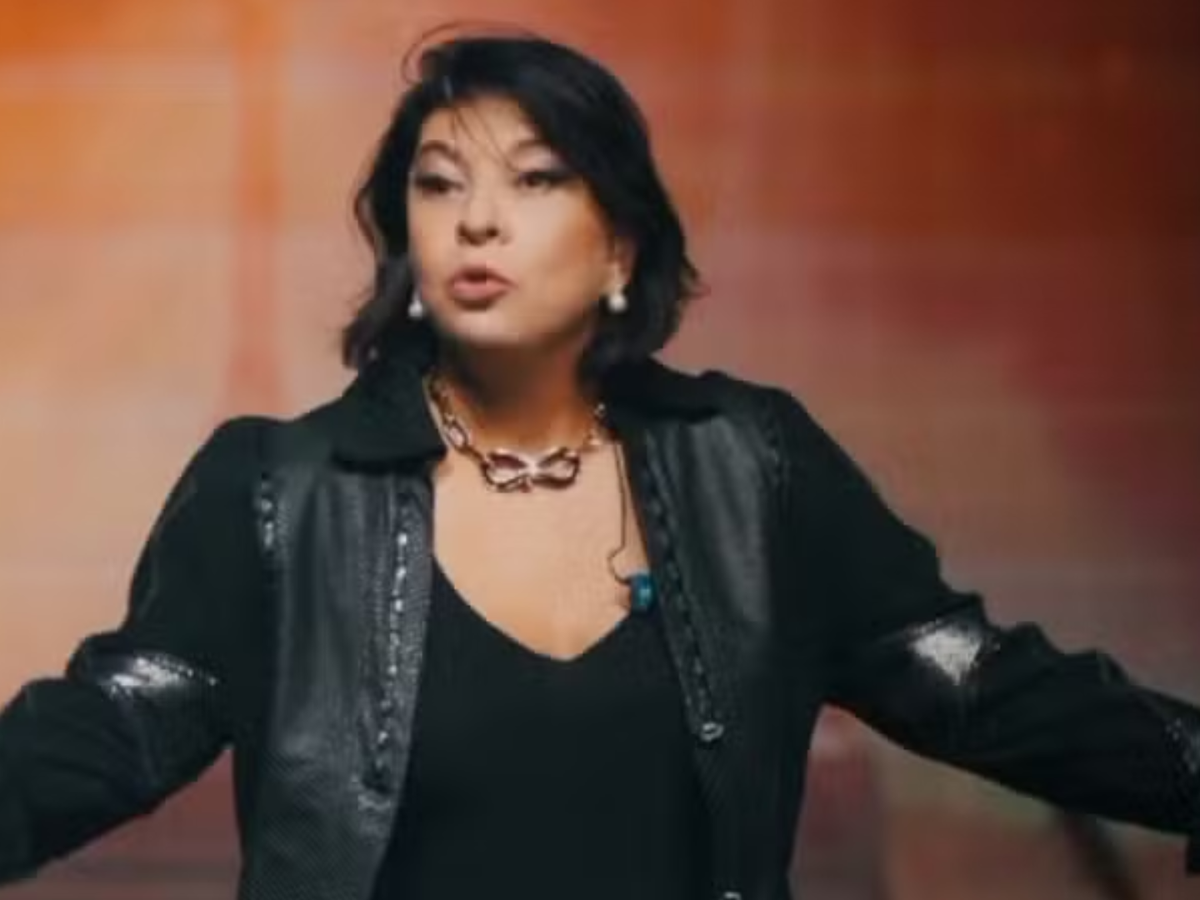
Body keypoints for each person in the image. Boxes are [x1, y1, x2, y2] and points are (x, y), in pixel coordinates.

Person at [0, 29, 1197, 900]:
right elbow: (112, 727)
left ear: (620, 244)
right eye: (438, 185)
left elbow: (974, 685)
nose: (477, 219)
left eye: (534, 179)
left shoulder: (754, 473)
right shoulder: (277, 495)